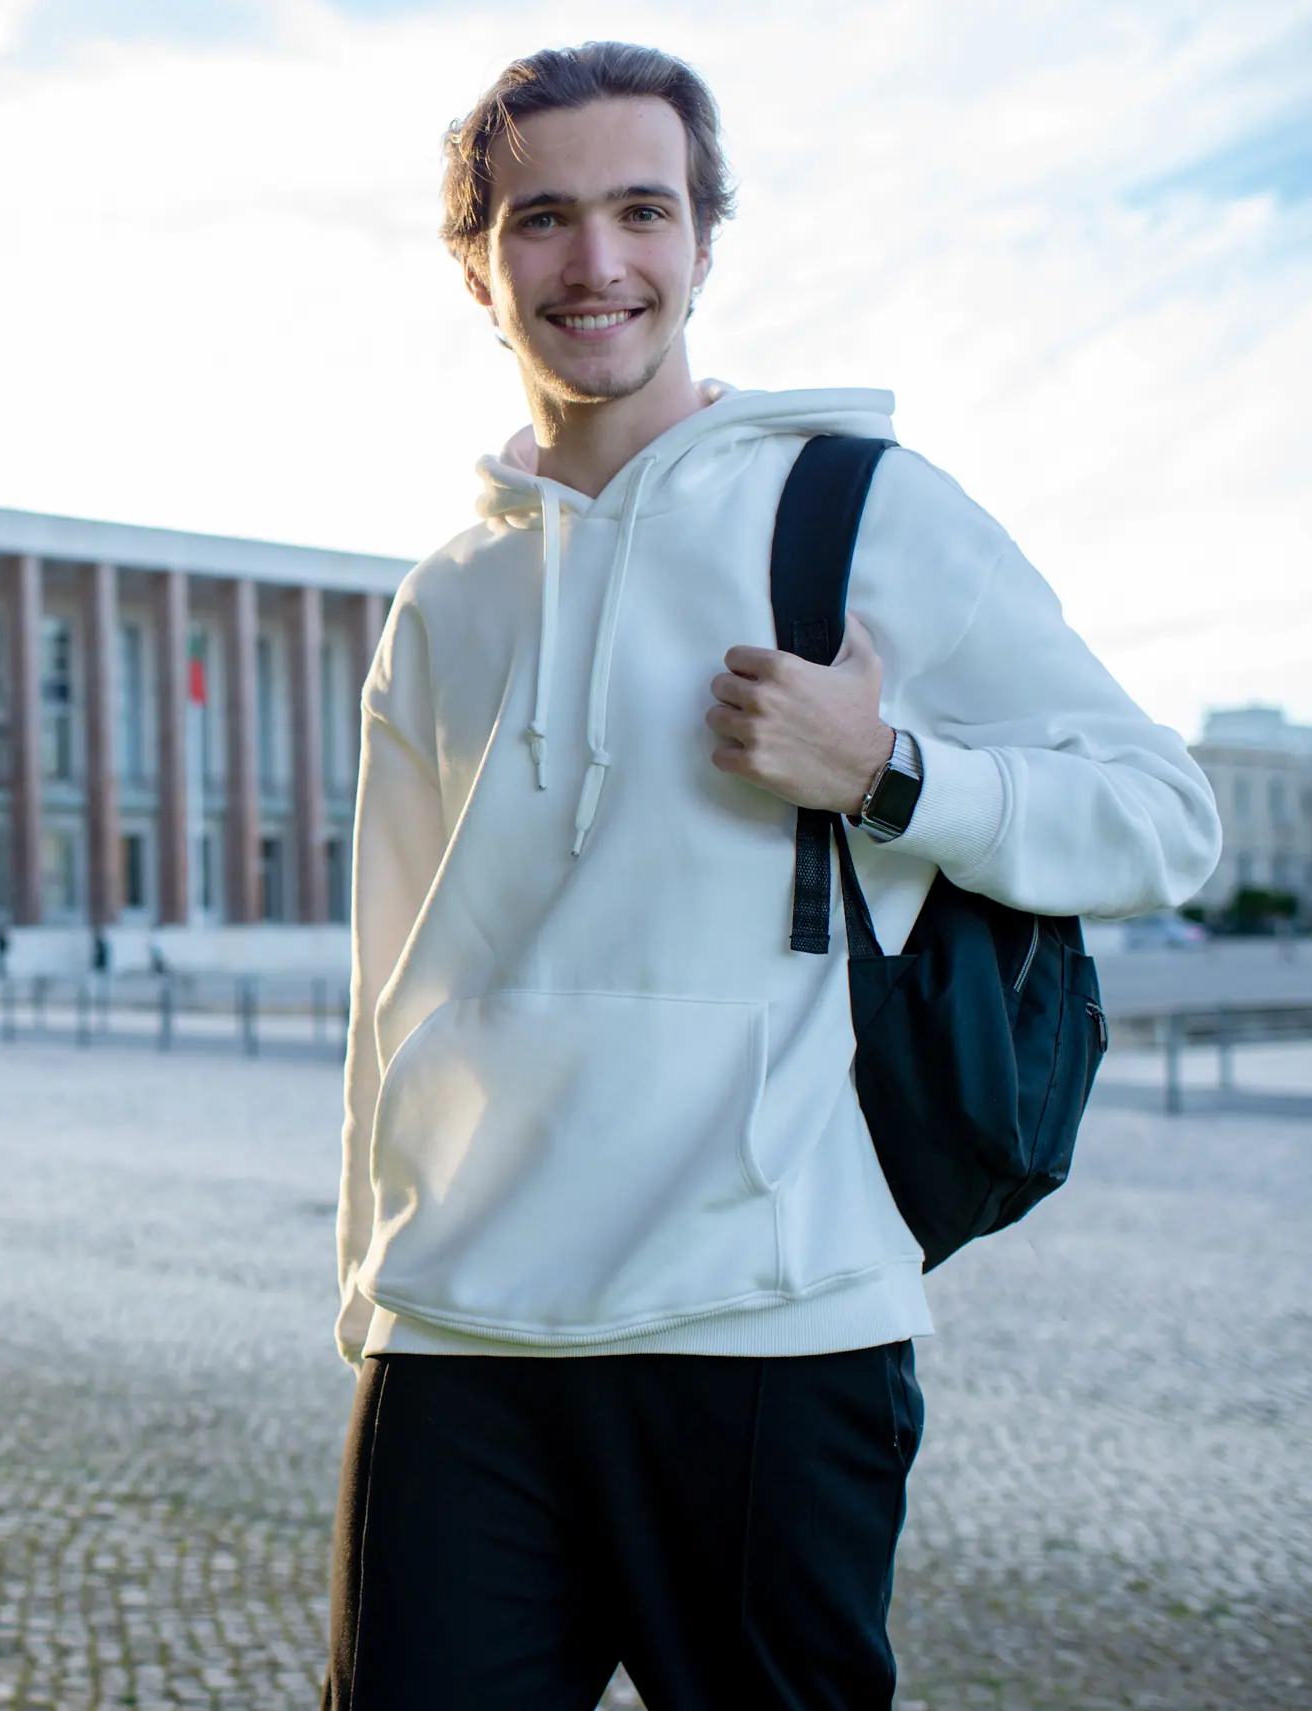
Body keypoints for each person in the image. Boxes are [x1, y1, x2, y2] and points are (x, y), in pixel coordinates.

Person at [327, 44, 1220, 1710]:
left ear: (703, 240)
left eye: (641, 210)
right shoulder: (442, 596)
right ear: (476, 263)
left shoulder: (861, 513)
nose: (597, 264)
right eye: (543, 220)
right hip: (462, 1341)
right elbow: (393, 973)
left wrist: (887, 773)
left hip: (771, 1327)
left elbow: (1165, 818)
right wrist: (369, 1292)